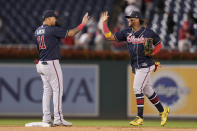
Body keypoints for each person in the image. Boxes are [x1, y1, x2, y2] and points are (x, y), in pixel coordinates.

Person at [100, 11, 169, 126]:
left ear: (137, 19)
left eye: (131, 18)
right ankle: (163, 111)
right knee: (147, 90)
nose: (129, 20)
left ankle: (140, 117)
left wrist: (153, 53)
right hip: (136, 66)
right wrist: (104, 23)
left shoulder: (148, 32)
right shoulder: (126, 32)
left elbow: (159, 44)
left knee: (137, 88)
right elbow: (109, 37)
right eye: (128, 18)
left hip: (146, 64)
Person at [34, 10, 90, 126]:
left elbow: (39, 48)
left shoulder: (37, 31)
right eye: (53, 18)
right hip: (51, 63)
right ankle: (58, 119)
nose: (55, 20)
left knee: (47, 91)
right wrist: (83, 24)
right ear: (48, 18)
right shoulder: (51, 30)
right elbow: (71, 33)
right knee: (57, 90)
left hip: (41, 63)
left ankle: (46, 118)